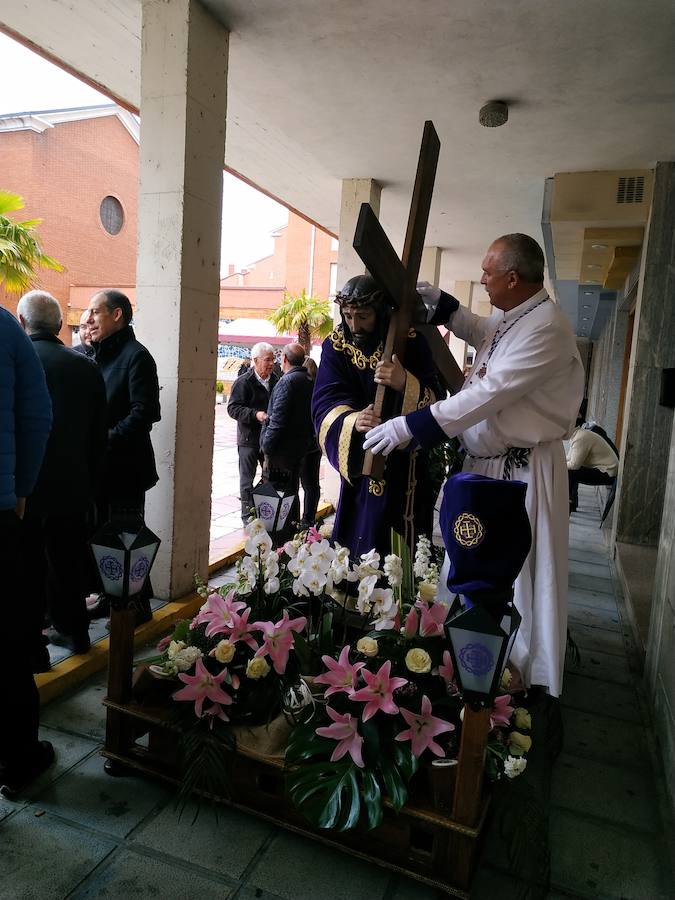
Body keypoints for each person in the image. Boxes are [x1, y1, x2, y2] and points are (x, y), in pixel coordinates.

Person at [364, 234, 585, 698]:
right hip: (488, 468)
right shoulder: (520, 315)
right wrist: (445, 308)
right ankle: (467, 656)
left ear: (513, 277)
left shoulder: (547, 327)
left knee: (517, 575)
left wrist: (410, 427)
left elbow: (489, 392)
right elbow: (487, 333)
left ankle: (516, 673)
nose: (481, 279)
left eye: (487, 272)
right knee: (471, 567)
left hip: (520, 474)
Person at [312, 274, 442, 559]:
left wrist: (404, 382)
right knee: (356, 539)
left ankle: (402, 599)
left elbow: (436, 400)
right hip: (360, 460)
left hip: (403, 464)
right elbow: (325, 400)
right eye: (347, 316)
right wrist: (352, 420)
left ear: (381, 310)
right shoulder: (336, 345)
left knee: (400, 546)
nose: (354, 325)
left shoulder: (412, 343)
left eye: (363, 316)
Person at [17, 292, 107, 665]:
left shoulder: (19, 363)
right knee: (67, 560)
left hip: (26, 485)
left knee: (26, 562)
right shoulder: (85, 367)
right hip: (73, 486)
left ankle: (30, 635)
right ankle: (73, 631)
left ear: (22, 323)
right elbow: (98, 436)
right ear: (58, 326)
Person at [0, 304, 54, 797]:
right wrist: (20, 488)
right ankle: (18, 760)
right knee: (10, 642)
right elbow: (37, 416)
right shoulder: (3, 328)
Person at [84, 289, 161, 625]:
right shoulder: (98, 354)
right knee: (104, 536)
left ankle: (137, 606)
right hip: (102, 467)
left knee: (126, 538)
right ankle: (111, 596)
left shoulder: (136, 356)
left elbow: (146, 412)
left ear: (117, 315)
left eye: (95, 312)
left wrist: (106, 438)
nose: (88, 319)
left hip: (126, 468)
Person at [260, 343, 315, 537]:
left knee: (279, 499)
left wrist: (266, 446)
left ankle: (280, 542)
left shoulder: (287, 382)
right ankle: (291, 536)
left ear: (284, 359)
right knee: (292, 494)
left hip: (282, 454)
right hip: (299, 450)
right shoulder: (308, 380)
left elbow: (278, 420)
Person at [228, 342, 279, 524]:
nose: (272, 363)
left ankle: (266, 515)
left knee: (269, 478)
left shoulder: (277, 380)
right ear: (255, 361)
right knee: (247, 481)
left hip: (269, 439)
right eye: (267, 360)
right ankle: (247, 518)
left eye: (273, 359)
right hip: (249, 440)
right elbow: (233, 409)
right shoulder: (243, 382)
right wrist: (255, 414)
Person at [567, 415, 618, 512]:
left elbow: (574, 465)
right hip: (604, 469)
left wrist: (557, 465)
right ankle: (570, 502)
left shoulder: (580, 438)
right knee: (570, 471)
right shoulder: (578, 435)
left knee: (571, 472)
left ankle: (568, 503)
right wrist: (557, 462)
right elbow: (569, 458)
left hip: (608, 473)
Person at [300, 356, 321, 526]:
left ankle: (302, 520)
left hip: (302, 443)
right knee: (311, 484)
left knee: (302, 484)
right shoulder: (319, 389)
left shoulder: (299, 387)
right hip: (315, 443)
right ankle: (309, 518)